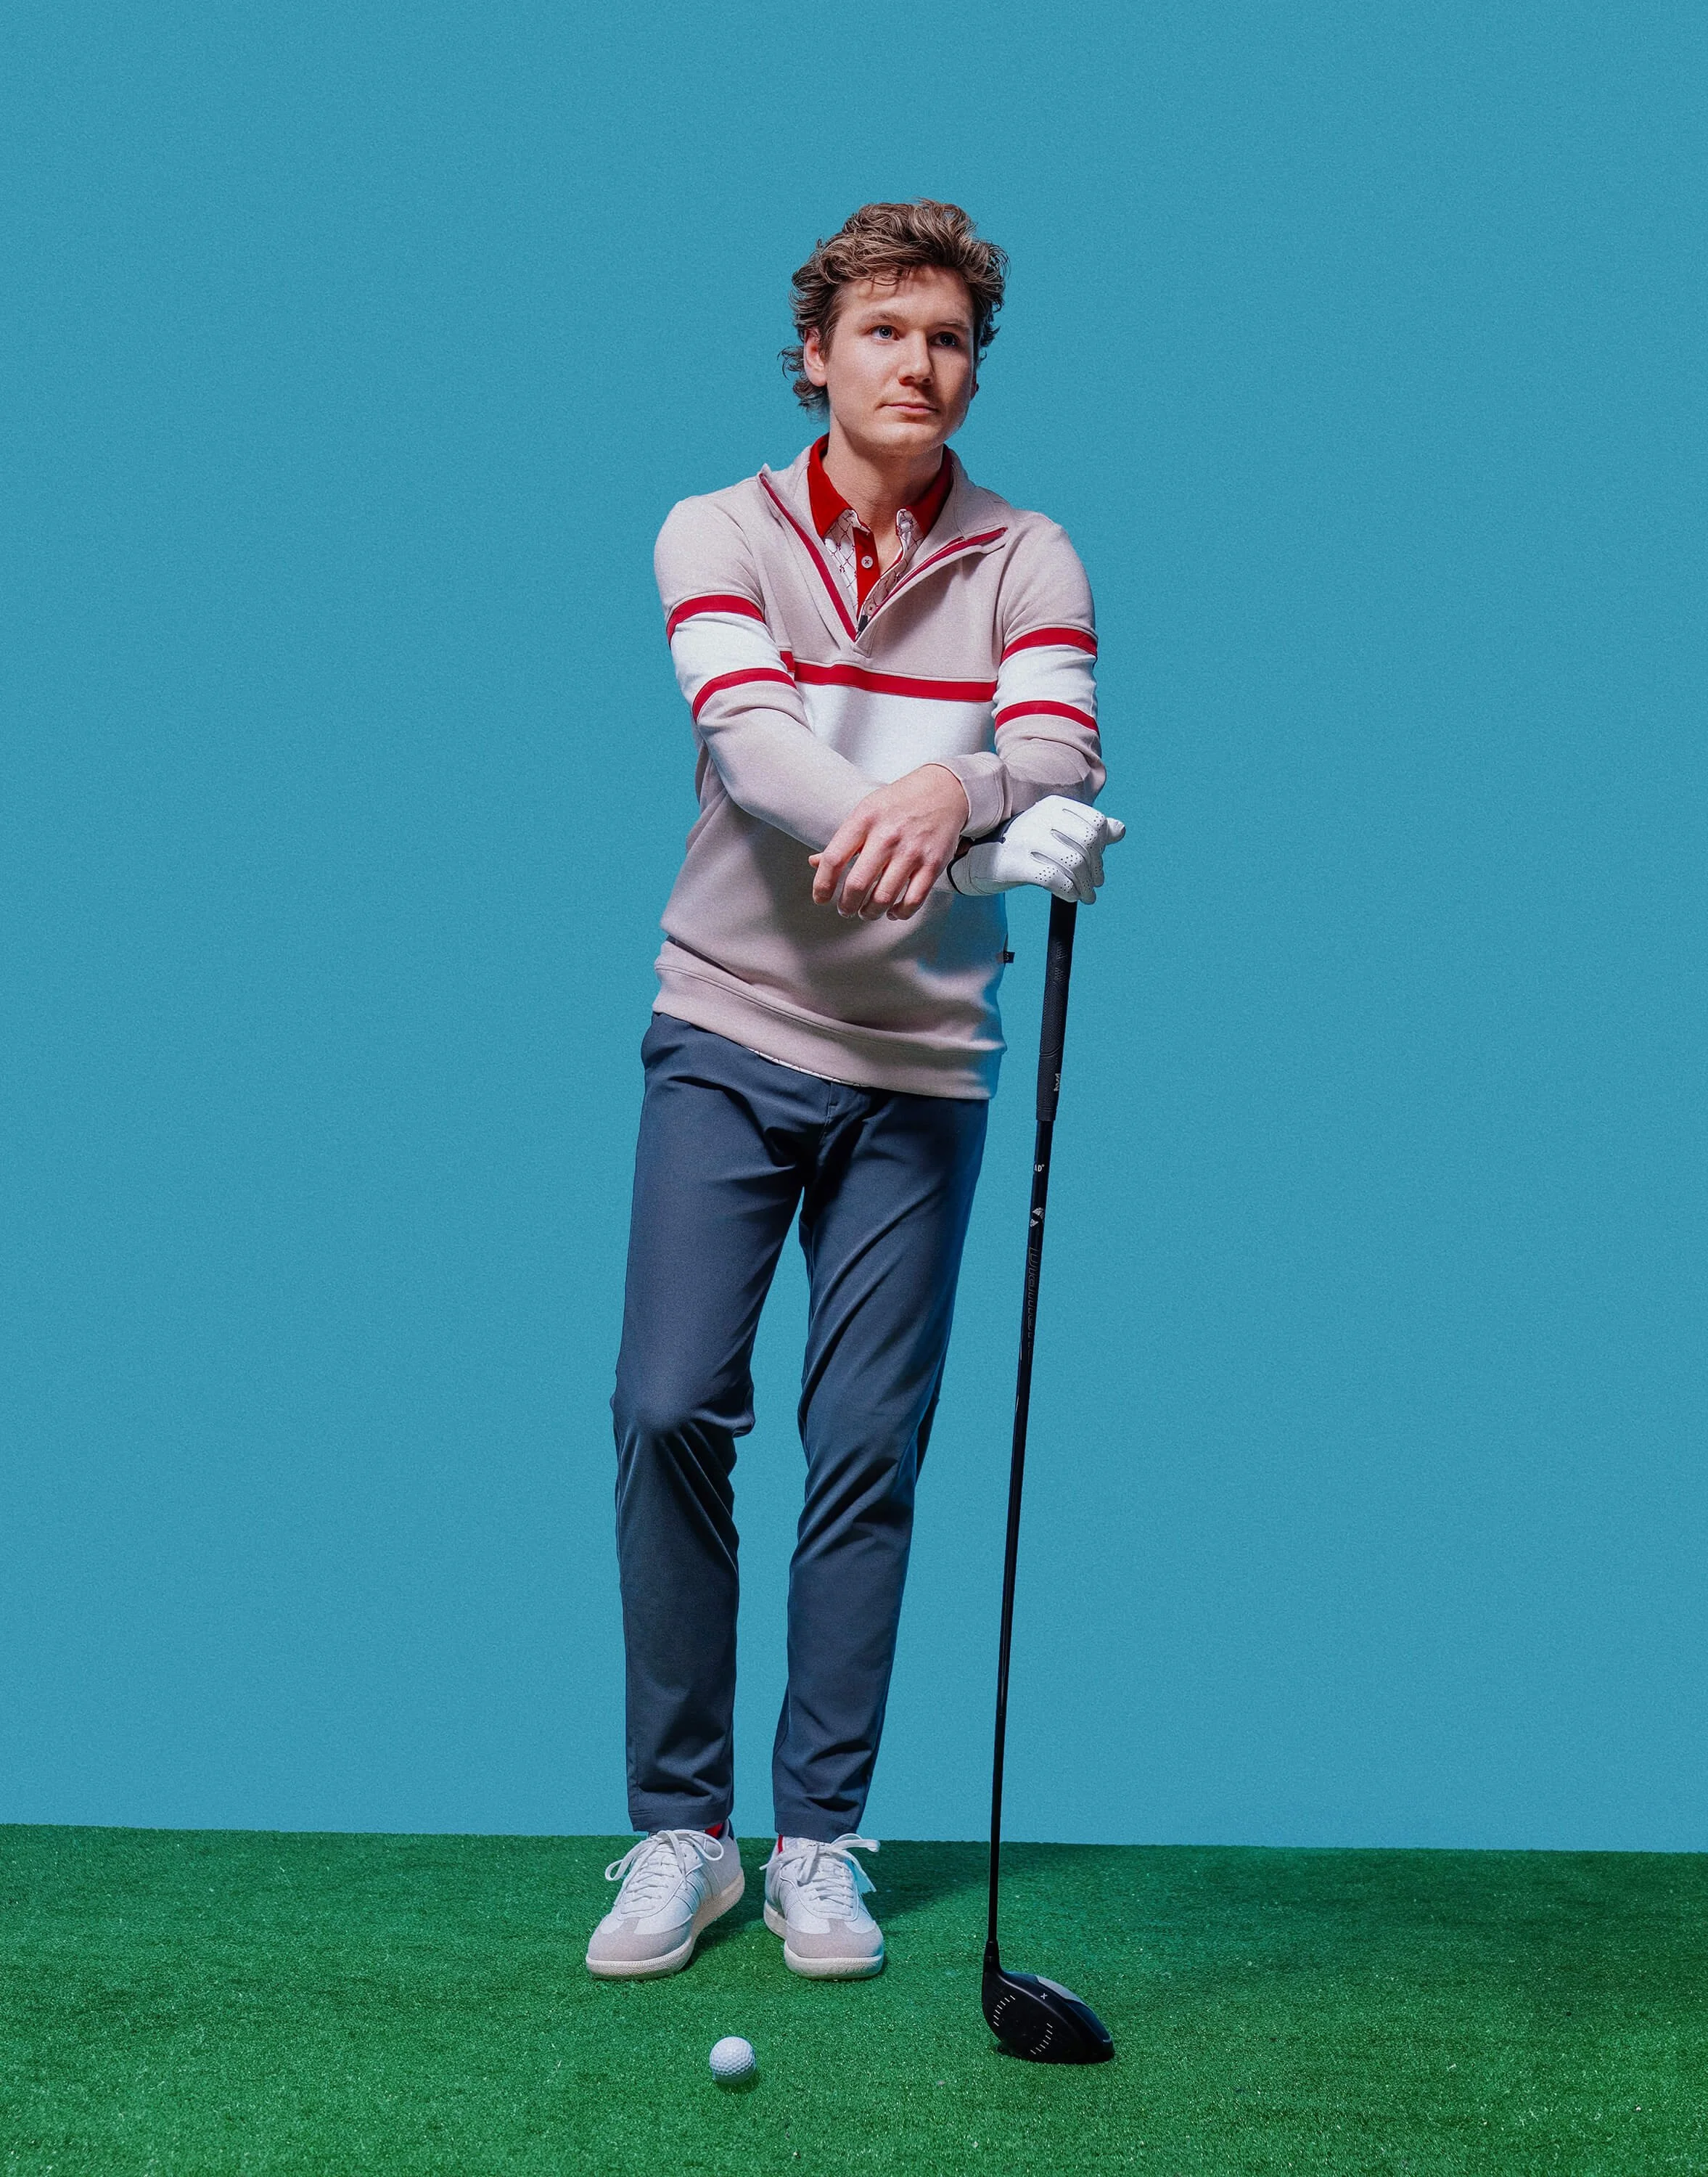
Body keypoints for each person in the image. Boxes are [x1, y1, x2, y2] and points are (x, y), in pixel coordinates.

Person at [586, 200, 1125, 1983]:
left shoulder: (1029, 554)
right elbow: (747, 749)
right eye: (888, 331)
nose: (921, 364)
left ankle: (818, 1836)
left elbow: (1051, 747)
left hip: (920, 1072)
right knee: (669, 1405)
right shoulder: (713, 528)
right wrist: (930, 808)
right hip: (727, 1029)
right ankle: (684, 1830)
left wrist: (958, 794)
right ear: (817, 353)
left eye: (952, 339)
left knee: (868, 1453)